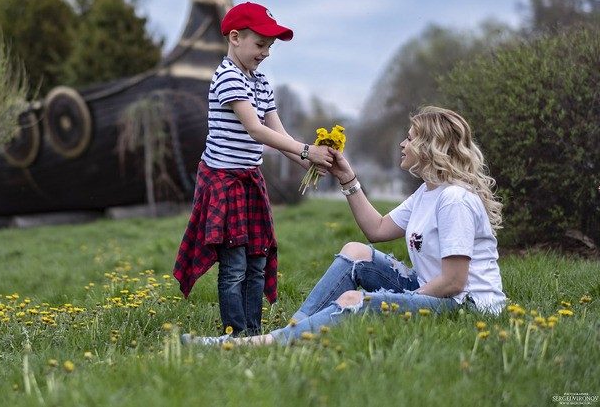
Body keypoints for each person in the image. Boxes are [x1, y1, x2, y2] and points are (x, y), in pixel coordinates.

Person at [183, 106, 506, 346]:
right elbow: (377, 231)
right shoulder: (429, 191)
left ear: (430, 146)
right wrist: (346, 177)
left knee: (355, 300)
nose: (402, 145)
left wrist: (391, 303)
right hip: (436, 293)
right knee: (355, 251)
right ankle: (291, 333)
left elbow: (453, 282)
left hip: (467, 308)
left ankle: (262, 343)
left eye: (409, 139)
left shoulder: (454, 200)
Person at [173, 2, 334, 337]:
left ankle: (253, 333)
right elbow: (257, 130)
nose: (266, 53)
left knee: (256, 262)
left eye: (269, 47)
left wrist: (314, 161)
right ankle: (236, 334)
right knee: (234, 266)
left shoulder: (261, 82)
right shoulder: (227, 77)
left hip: (249, 182)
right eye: (260, 45)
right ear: (235, 37)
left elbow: (279, 136)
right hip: (224, 183)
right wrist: (307, 150)